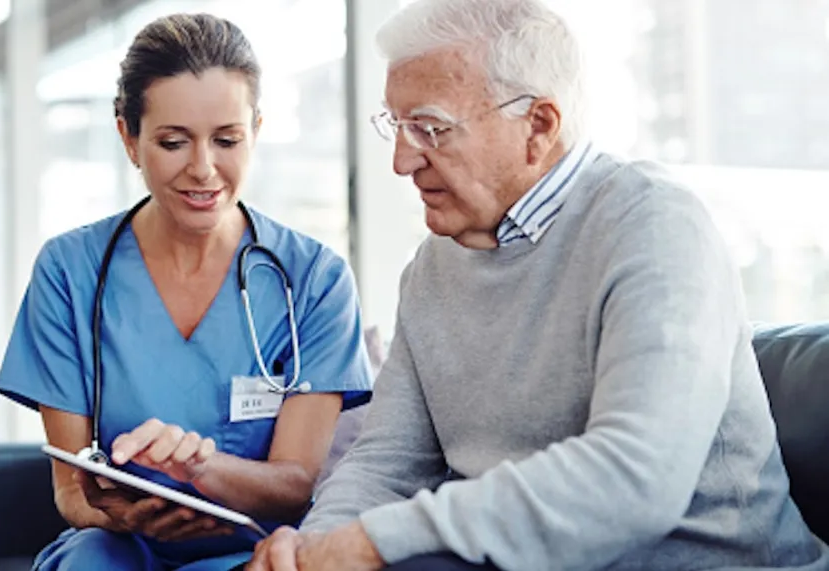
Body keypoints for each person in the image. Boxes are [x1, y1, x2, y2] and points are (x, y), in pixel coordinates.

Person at [248, 0, 829, 570]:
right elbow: (386, 462)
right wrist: (311, 550)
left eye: (430, 129)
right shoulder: (431, 268)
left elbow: (636, 477)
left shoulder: (654, 225)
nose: (402, 161)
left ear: (538, 126)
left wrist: (374, 543)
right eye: (397, 127)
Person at [0, 12, 373, 571]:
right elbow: (72, 491)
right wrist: (124, 515)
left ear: (256, 131)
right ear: (129, 138)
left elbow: (296, 484)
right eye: (173, 142)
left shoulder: (314, 280)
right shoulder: (70, 272)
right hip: (119, 547)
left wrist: (200, 471)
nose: (203, 169)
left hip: (251, 552)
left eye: (227, 140)